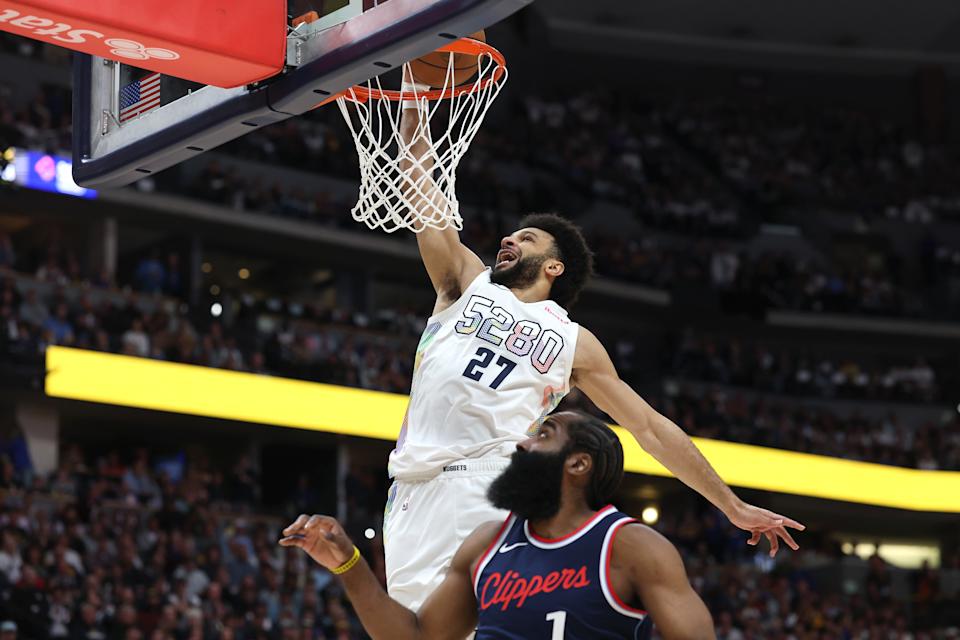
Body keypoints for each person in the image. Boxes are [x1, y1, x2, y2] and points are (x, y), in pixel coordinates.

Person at [376, 76, 804, 611]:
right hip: (410, 490)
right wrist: (413, 112)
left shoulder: (574, 342)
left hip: (486, 483)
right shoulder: (466, 282)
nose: (508, 238)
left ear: (553, 267)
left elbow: (650, 428)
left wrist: (730, 505)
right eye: (512, 234)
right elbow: (425, 196)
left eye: (527, 238)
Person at [280, 412, 716, 639]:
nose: (522, 444)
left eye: (543, 435)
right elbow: (418, 636)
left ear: (578, 464)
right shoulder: (487, 543)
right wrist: (349, 563)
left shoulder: (630, 546)